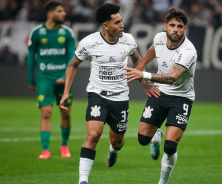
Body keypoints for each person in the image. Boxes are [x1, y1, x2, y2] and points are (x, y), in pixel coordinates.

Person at [59, 3, 143, 184]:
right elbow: (73, 64)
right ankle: (83, 180)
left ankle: (113, 151)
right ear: (106, 25)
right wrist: (66, 91)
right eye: (117, 22)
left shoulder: (128, 40)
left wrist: (144, 82)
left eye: (122, 21)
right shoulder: (90, 42)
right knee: (93, 135)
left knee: (117, 142)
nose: (122, 25)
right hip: (98, 95)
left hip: (120, 97)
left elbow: (138, 60)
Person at [122, 7, 197, 184]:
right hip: (159, 94)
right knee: (142, 139)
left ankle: (162, 182)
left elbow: (172, 77)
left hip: (181, 98)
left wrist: (145, 76)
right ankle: (156, 136)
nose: (175, 29)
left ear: (185, 29)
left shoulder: (188, 51)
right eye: (172, 25)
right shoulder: (159, 39)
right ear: (165, 27)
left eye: (179, 26)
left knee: (170, 147)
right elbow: (145, 61)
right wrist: (145, 85)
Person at [27, 0, 75, 159]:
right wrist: (31, 79)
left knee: (65, 113)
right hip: (44, 79)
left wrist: (63, 76)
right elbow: (30, 57)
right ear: (50, 13)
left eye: (63, 11)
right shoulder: (37, 33)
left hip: (63, 79)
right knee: (46, 113)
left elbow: (71, 56)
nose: (64, 14)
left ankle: (64, 145)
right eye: (60, 11)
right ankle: (46, 149)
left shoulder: (67, 33)